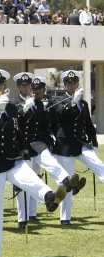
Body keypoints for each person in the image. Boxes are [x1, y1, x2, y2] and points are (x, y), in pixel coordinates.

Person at [0, 68, 67, 257]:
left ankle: (49, 197)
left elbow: (18, 133)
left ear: (4, 86)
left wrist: (23, 151)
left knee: (28, 176)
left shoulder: (12, 108)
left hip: (12, 158)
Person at [11, 72, 83, 229]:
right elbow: (13, 127)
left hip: (38, 143)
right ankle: (22, 219)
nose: (26, 88)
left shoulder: (38, 104)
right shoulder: (13, 103)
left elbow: (44, 126)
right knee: (26, 182)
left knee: (50, 161)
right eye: (22, 85)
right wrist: (22, 112)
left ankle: (66, 180)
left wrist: (49, 143)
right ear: (18, 87)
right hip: (22, 147)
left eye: (28, 85)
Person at [49, 70, 104, 225]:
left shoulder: (83, 103)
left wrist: (93, 143)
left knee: (101, 167)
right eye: (69, 83)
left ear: (78, 84)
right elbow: (59, 116)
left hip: (81, 145)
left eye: (74, 83)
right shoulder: (57, 101)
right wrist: (72, 103)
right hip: (65, 146)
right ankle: (65, 218)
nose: (72, 86)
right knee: (66, 183)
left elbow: (88, 125)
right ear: (64, 84)